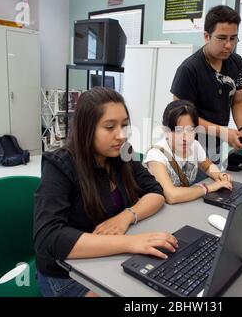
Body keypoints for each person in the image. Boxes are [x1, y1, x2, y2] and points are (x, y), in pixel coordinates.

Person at [34, 87, 178, 297]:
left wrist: (126, 216)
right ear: (86, 129)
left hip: (109, 259)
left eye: (125, 126)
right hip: (67, 274)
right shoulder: (60, 165)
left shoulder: (123, 154)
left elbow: (156, 193)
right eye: (110, 127)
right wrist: (131, 243)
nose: (121, 135)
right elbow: (48, 237)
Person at [171, 5, 242, 163]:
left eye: (233, 38)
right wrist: (223, 132)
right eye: (221, 38)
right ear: (207, 36)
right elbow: (181, 115)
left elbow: (238, 101)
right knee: (197, 186)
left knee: (214, 184)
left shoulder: (237, 62)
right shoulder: (189, 69)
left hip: (217, 144)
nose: (228, 45)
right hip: (189, 146)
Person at [144, 100, 233, 204]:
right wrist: (208, 188)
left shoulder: (194, 145)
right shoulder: (156, 154)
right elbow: (171, 196)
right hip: (159, 211)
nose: (185, 137)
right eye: (178, 131)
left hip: (184, 205)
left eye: (190, 130)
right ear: (165, 130)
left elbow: (208, 166)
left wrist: (219, 175)